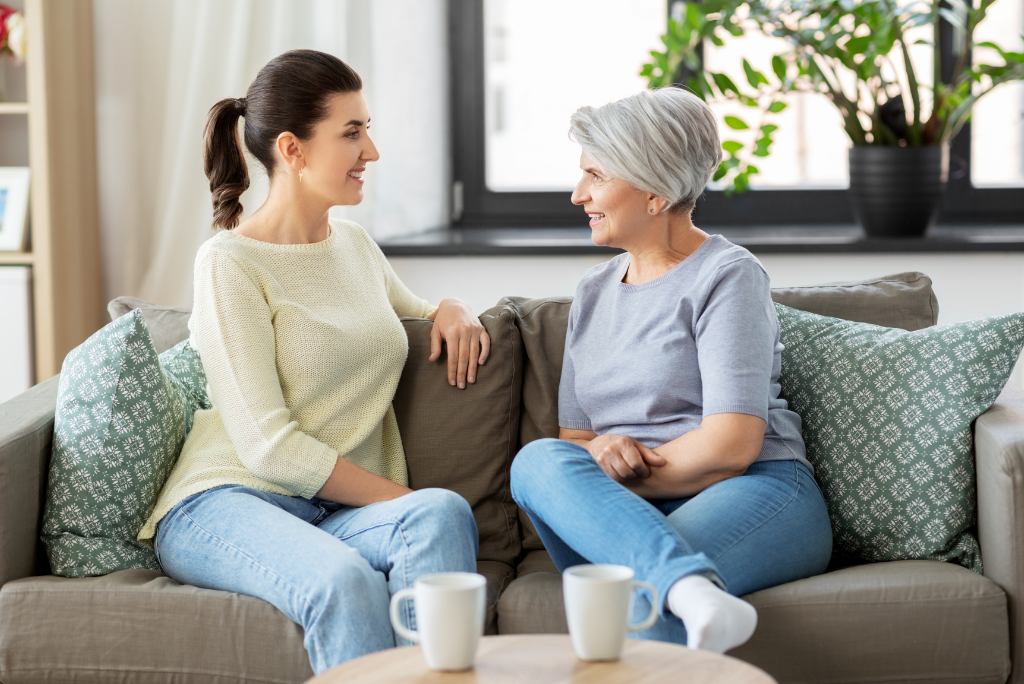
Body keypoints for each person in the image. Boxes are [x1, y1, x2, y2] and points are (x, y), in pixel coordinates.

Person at [138, 50, 488, 674]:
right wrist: (394, 497)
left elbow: (417, 309)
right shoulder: (229, 263)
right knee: (344, 580)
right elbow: (267, 446)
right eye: (352, 134)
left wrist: (454, 308)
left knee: (442, 512)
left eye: (367, 130)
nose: (371, 153)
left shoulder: (353, 245)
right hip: (228, 502)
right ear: (292, 150)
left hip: (331, 513)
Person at [510, 88, 833, 654]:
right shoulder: (592, 291)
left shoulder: (727, 275)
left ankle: (672, 582)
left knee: (636, 596)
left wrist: (614, 487)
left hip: (754, 490)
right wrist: (603, 456)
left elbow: (733, 443)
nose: (577, 194)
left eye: (596, 176)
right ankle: (687, 585)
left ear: (656, 192)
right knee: (535, 461)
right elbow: (575, 442)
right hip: (626, 510)